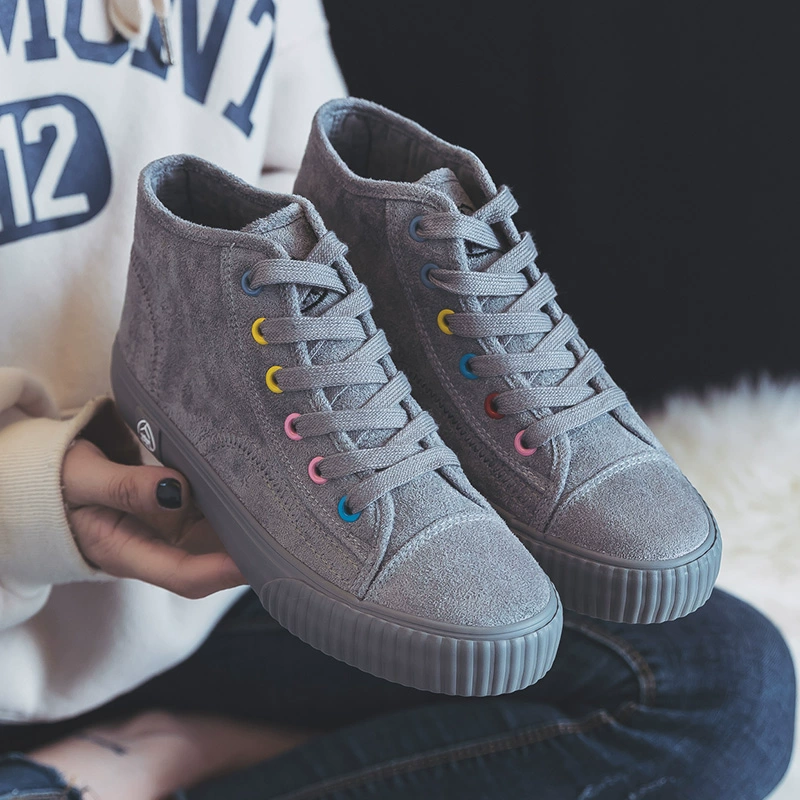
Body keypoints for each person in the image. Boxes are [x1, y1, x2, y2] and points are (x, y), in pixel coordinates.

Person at [0, 2, 794, 798]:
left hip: (265, 562)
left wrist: (382, 378)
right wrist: (20, 499)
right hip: (18, 640)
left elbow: (293, 224)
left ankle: (185, 746)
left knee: (727, 684)